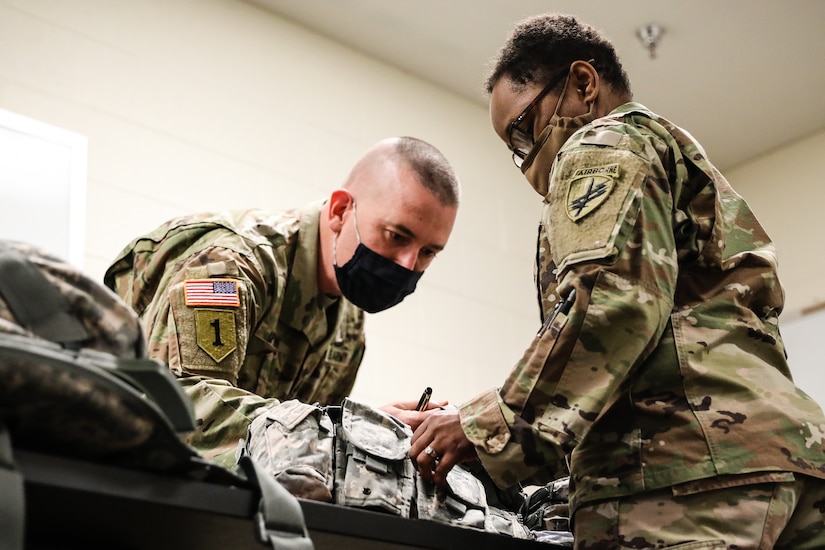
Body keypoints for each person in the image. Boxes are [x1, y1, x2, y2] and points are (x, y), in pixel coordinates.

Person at [410, 13, 825, 548]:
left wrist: (484, 424)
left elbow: (610, 305)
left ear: (583, 84)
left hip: (684, 474)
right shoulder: (673, 153)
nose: (524, 159)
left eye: (522, 130)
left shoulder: (599, 145)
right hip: (784, 459)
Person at [105, 136, 459, 469]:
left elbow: (299, 457)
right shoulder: (229, 264)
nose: (407, 264)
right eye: (396, 236)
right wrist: (348, 430)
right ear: (339, 210)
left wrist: (376, 431)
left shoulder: (348, 322)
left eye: (428, 252)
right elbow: (180, 405)